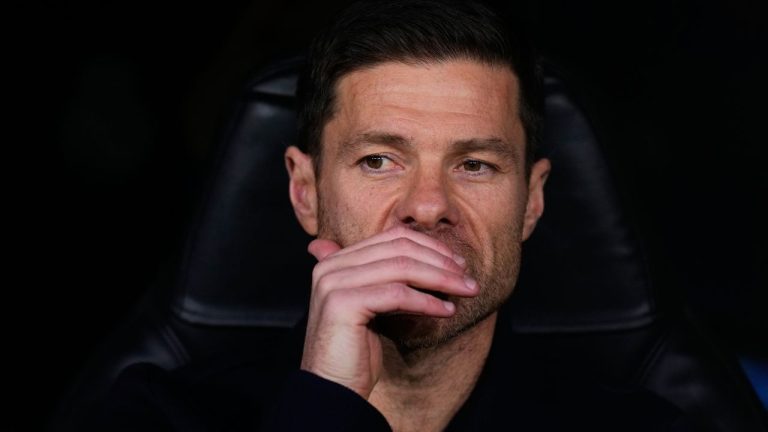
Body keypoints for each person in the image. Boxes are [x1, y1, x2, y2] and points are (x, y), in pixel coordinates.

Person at [81, 1, 697, 430]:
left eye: (475, 164)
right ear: (305, 192)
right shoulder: (155, 416)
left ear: (532, 202)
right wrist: (323, 405)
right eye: (378, 161)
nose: (427, 207)